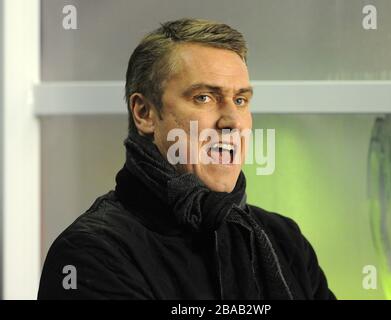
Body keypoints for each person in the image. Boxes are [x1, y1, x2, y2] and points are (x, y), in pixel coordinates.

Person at [38, 18, 335, 300]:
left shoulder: (283, 240)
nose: (232, 120)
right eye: (204, 97)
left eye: (241, 100)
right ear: (144, 113)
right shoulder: (92, 253)